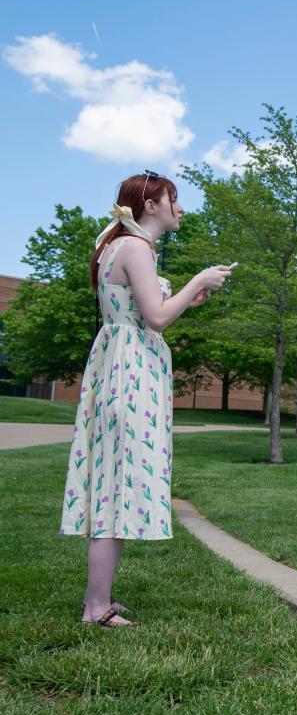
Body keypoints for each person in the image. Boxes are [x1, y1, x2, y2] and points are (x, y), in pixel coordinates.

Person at [59, 171, 232, 627]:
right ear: (150, 205)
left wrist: (185, 297)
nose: (179, 207)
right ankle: (96, 608)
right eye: (173, 199)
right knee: (116, 490)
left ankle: (99, 600)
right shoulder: (135, 248)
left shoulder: (119, 246)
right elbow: (154, 319)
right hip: (130, 374)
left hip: (118, 369)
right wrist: (198, 280)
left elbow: (142, 310)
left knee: (112, 486)